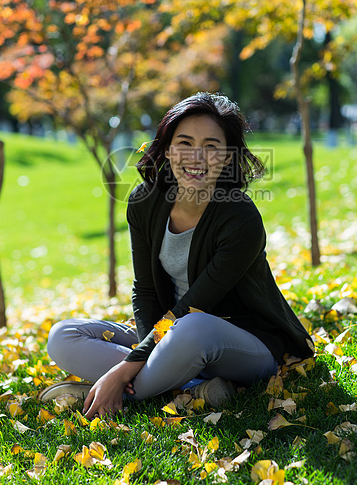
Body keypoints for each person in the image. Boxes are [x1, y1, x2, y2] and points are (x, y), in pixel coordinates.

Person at [41, 92, 314, 417]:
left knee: (193, 327)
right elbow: (144, 289)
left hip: (242, 342)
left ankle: (119, 394)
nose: (196, 157)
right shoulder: (145, 201)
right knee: (64, 335)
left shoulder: (241, 220)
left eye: (212, 146)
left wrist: (125, 369)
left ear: (228, 157)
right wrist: (146, 352)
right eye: (184, 143)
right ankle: (192, 390)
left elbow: (193, 307)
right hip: (167, 333)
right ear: (168, 150)